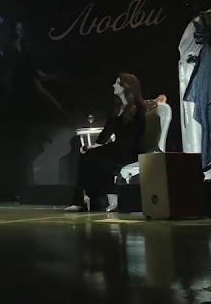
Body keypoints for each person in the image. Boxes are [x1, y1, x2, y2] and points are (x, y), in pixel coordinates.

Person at [65, 73, 151, 213]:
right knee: (87, 155)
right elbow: (106, 132)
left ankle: (103, 198)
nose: (113, 85)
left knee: (98, 158)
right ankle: (81, 200)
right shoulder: (116, 109)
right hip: (117, 147)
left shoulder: (138, 109)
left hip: (130, 149)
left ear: (126, 87)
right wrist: (95, 145)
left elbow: (135, 137)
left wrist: (102, 147)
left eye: (117, 83)